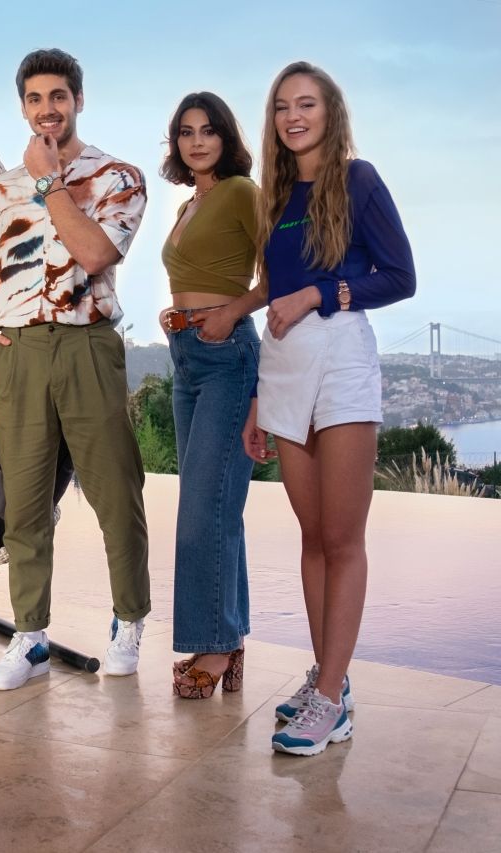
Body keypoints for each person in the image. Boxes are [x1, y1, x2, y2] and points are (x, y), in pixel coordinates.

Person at [245, 62, 415, 755]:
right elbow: (273, 296)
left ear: (330, 111)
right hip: (284, 363)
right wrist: (259, 396)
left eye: (306, 104)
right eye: (282, 106)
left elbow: (400, 275)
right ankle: (328, 682)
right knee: (312, 537)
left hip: (342, 354)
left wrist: (324, 292)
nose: (293, 116)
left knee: (343, 539)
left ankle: (331, 697)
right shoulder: (275, 196)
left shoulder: (358, 179)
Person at [0, 48, 151, 690]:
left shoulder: (117, 177)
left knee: (115, 493)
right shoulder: (0, 188)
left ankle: (129, 619)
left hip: (86, 345)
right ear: (22, 106)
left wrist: (50, 184)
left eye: (58, 96)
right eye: (35, 98)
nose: (47, 109)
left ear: (78, 100)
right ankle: (30, 637)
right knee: (24, 504)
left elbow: (96, 253)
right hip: (19, 351)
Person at [157, 93, 264, 699]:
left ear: (226, 137)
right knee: (217, 508)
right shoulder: (188, 202)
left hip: (227, 357)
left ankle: (216, 647)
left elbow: (279, 273)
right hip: (186, 357)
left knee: (202, 513)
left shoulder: (242, 192)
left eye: (208, 130)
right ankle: (231, 639)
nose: (196, 141)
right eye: (186, 132)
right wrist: (178, 316)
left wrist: (228, 313)